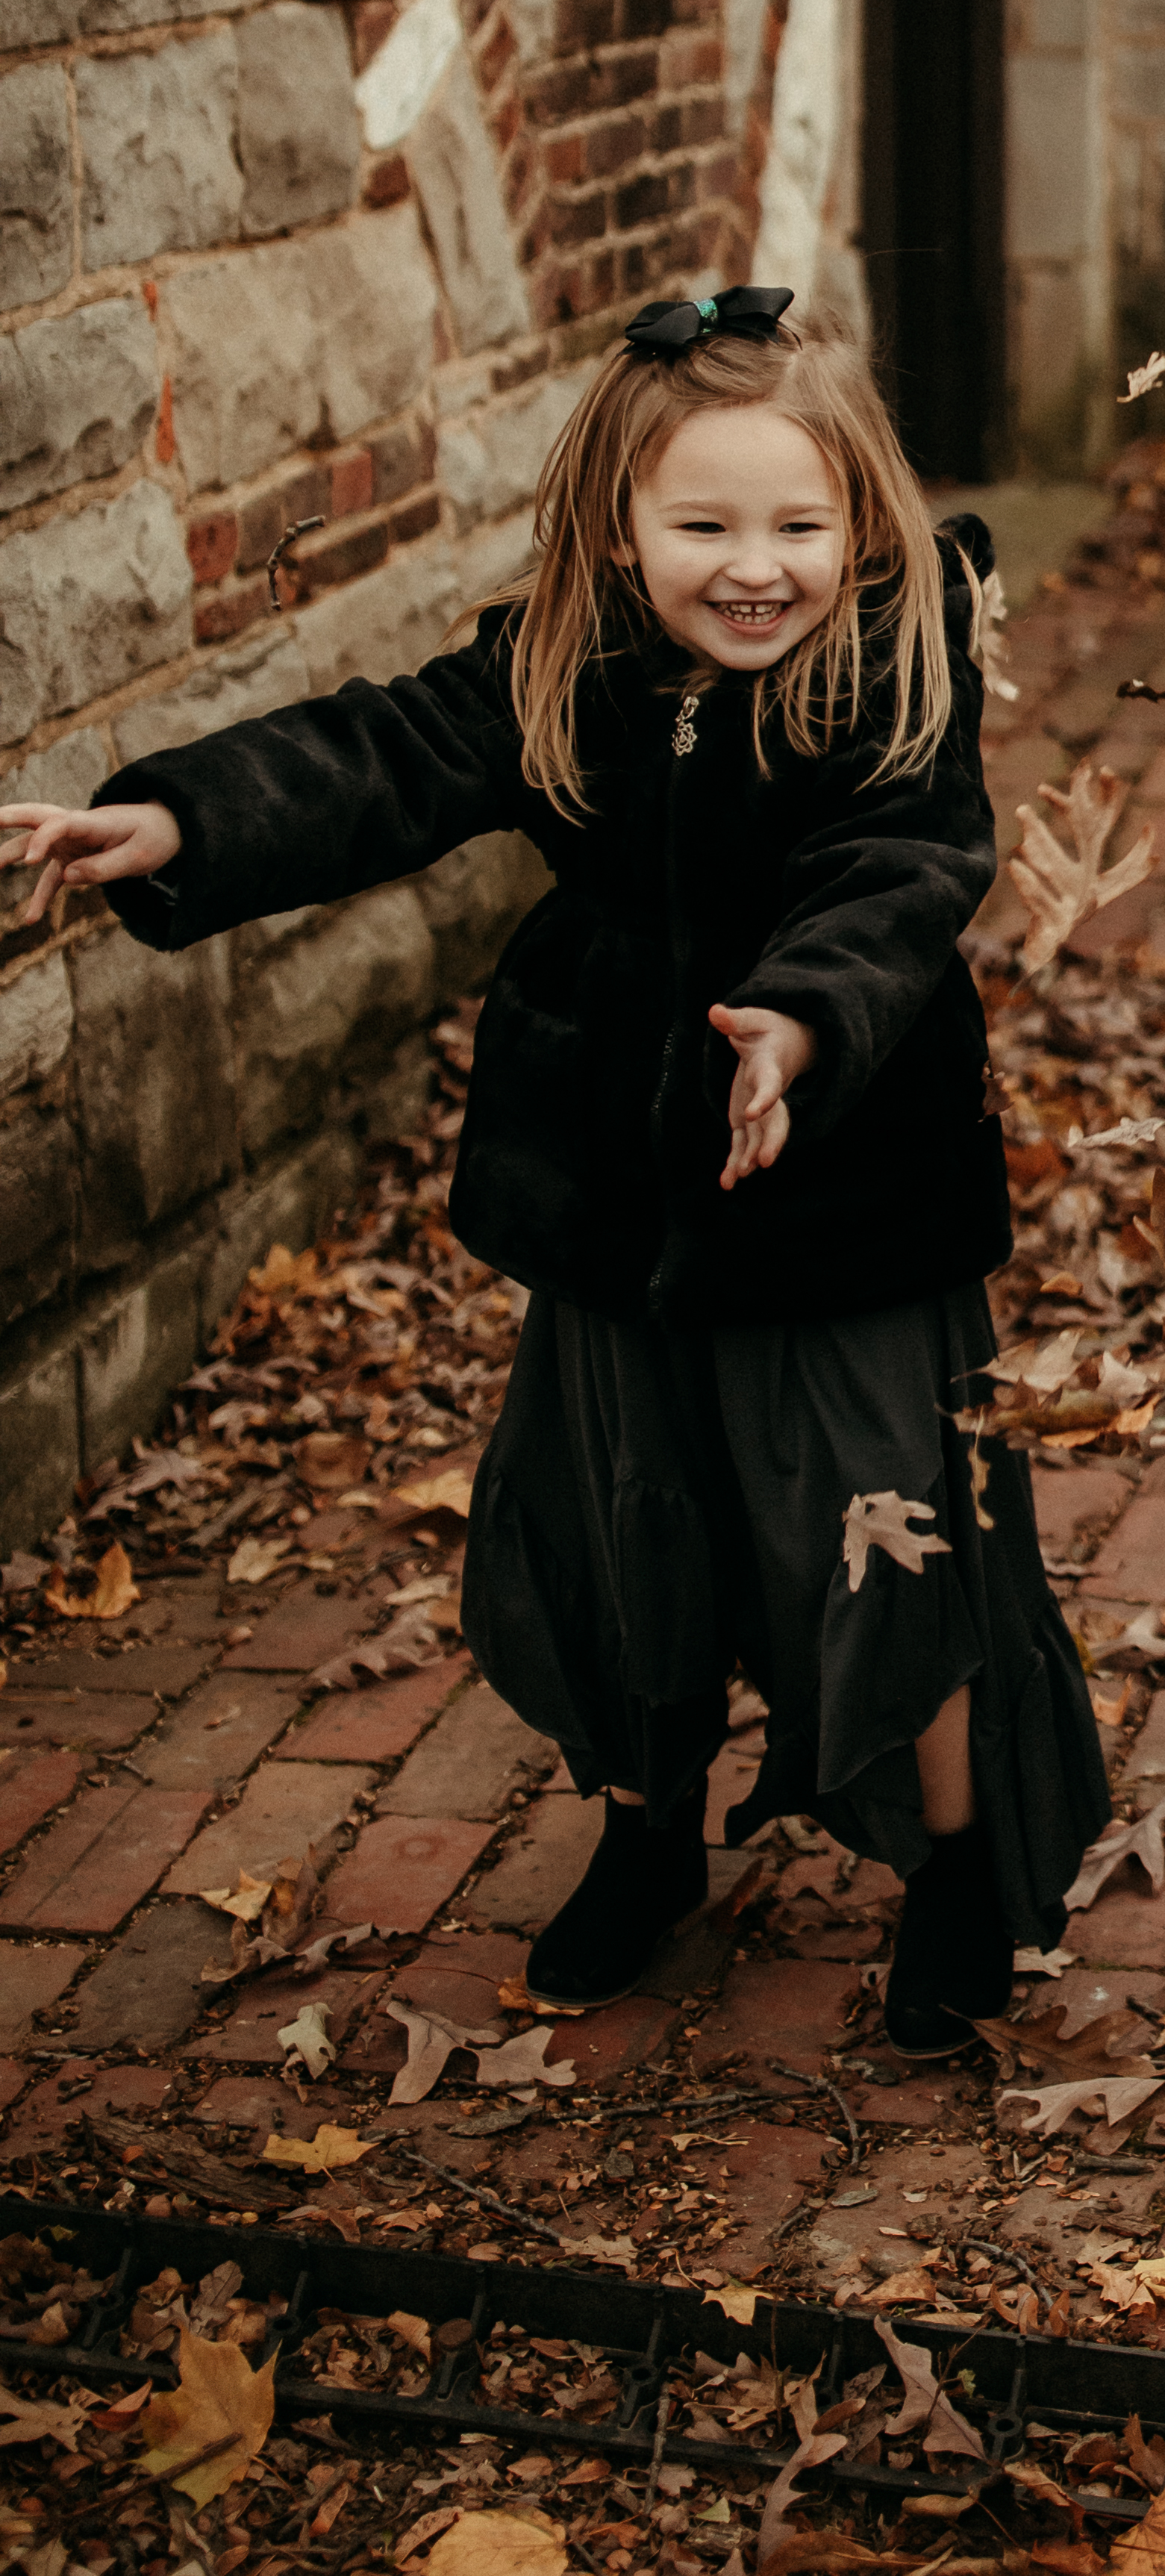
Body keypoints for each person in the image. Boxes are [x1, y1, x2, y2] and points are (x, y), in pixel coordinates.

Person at [1, 290, 1105, 2047]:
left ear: (864, 520)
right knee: (621, 1529)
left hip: (844, 1193)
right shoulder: (561, 665)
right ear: (620, 526)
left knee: (891, 1542)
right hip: (617, 1193)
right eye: (707, 528)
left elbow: (907, 861)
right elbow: (386, 754)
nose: (758, 570)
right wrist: (181, 821)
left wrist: (802, 1022)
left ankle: (955, 1869)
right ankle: (647, 1830)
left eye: (800, 527)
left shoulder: (902, 664)